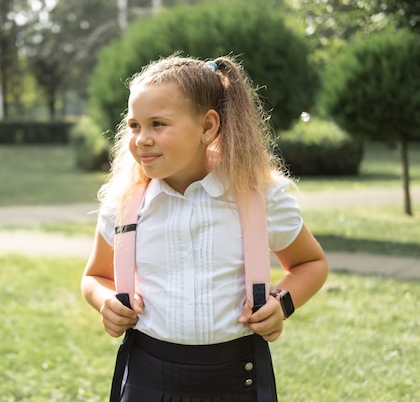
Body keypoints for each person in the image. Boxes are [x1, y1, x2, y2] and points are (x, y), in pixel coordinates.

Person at [80, 54, 328, 402]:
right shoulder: (124, 206)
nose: (141, 139)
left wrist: (283, 304)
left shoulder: (258, 198)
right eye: (135, 125)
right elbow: (94, 276)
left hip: (236, 382)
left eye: (158, 124)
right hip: (147, 382)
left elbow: (310, 263)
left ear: (207, 126)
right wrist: (106, 301)